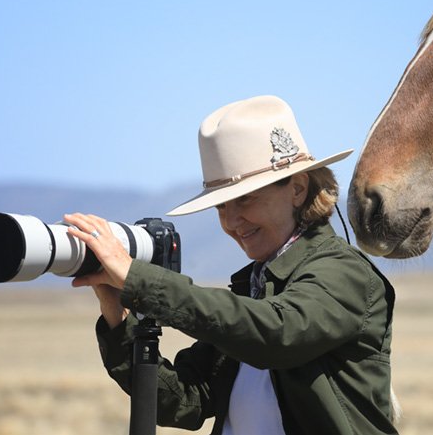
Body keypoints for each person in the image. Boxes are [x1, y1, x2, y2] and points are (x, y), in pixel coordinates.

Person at [64, 95, 398, 434]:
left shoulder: (344, 272)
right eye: (221, 206)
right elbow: (181, 400)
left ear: (297, 189)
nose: (232, 220)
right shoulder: (255, 290)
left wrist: (140, 280)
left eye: (245, 199)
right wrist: (117, 317)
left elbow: (275, 333)